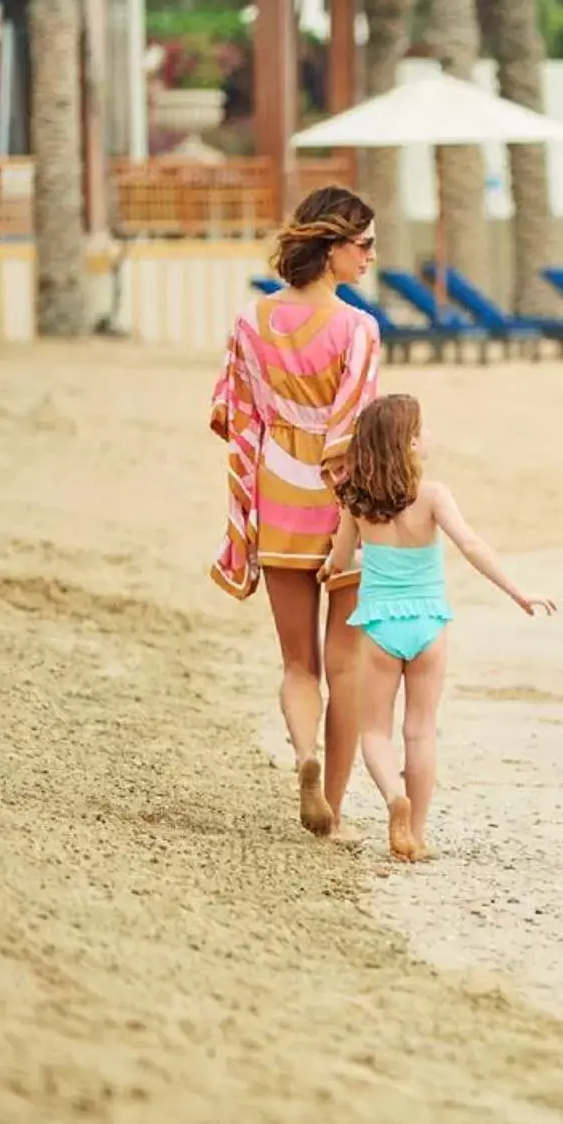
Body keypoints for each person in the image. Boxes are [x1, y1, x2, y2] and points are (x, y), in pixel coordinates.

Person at [209, 186, 382, 839]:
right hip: (341, 508)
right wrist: (354, 507)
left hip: (278, 492)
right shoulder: (358, 329)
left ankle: (304, 756)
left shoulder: (252, 321)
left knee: (297, 664)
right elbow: (355, 426)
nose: (369, 257)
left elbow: (238, 414)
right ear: (332, 248)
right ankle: (331, 810)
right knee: (345, 666)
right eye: (362, 245)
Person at [322, 395, 556, 863]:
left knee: (374, 732)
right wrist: (518, 592)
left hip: (379, 627)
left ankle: (394, 799)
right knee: (421, 732)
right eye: (422, 430)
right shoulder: (432, 495)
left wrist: (327, 570)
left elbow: (340, 561)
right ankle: (418, 834)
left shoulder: (356, 502)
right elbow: (470, 545)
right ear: (409, 442)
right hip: (429, 624)